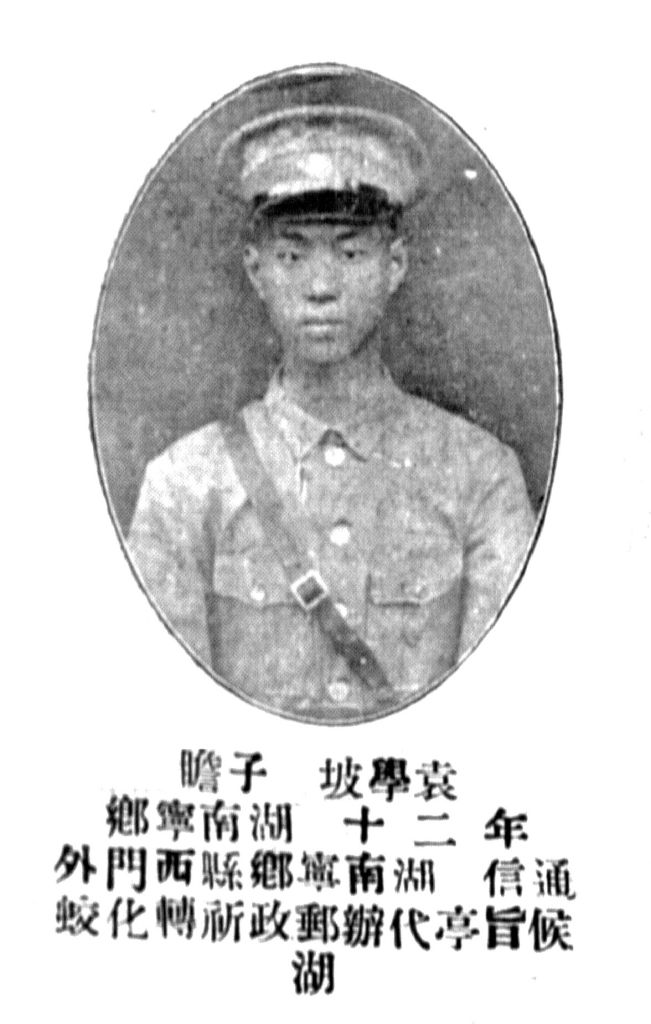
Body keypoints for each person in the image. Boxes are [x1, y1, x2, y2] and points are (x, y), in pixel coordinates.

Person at [126, 104, 535, 723]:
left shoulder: (480, 477)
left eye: (350, 254)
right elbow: (167, 720)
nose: (321, 287)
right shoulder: (184, 485)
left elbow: (497, 715)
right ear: (256, 270)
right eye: (292, 257)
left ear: (395, 265)